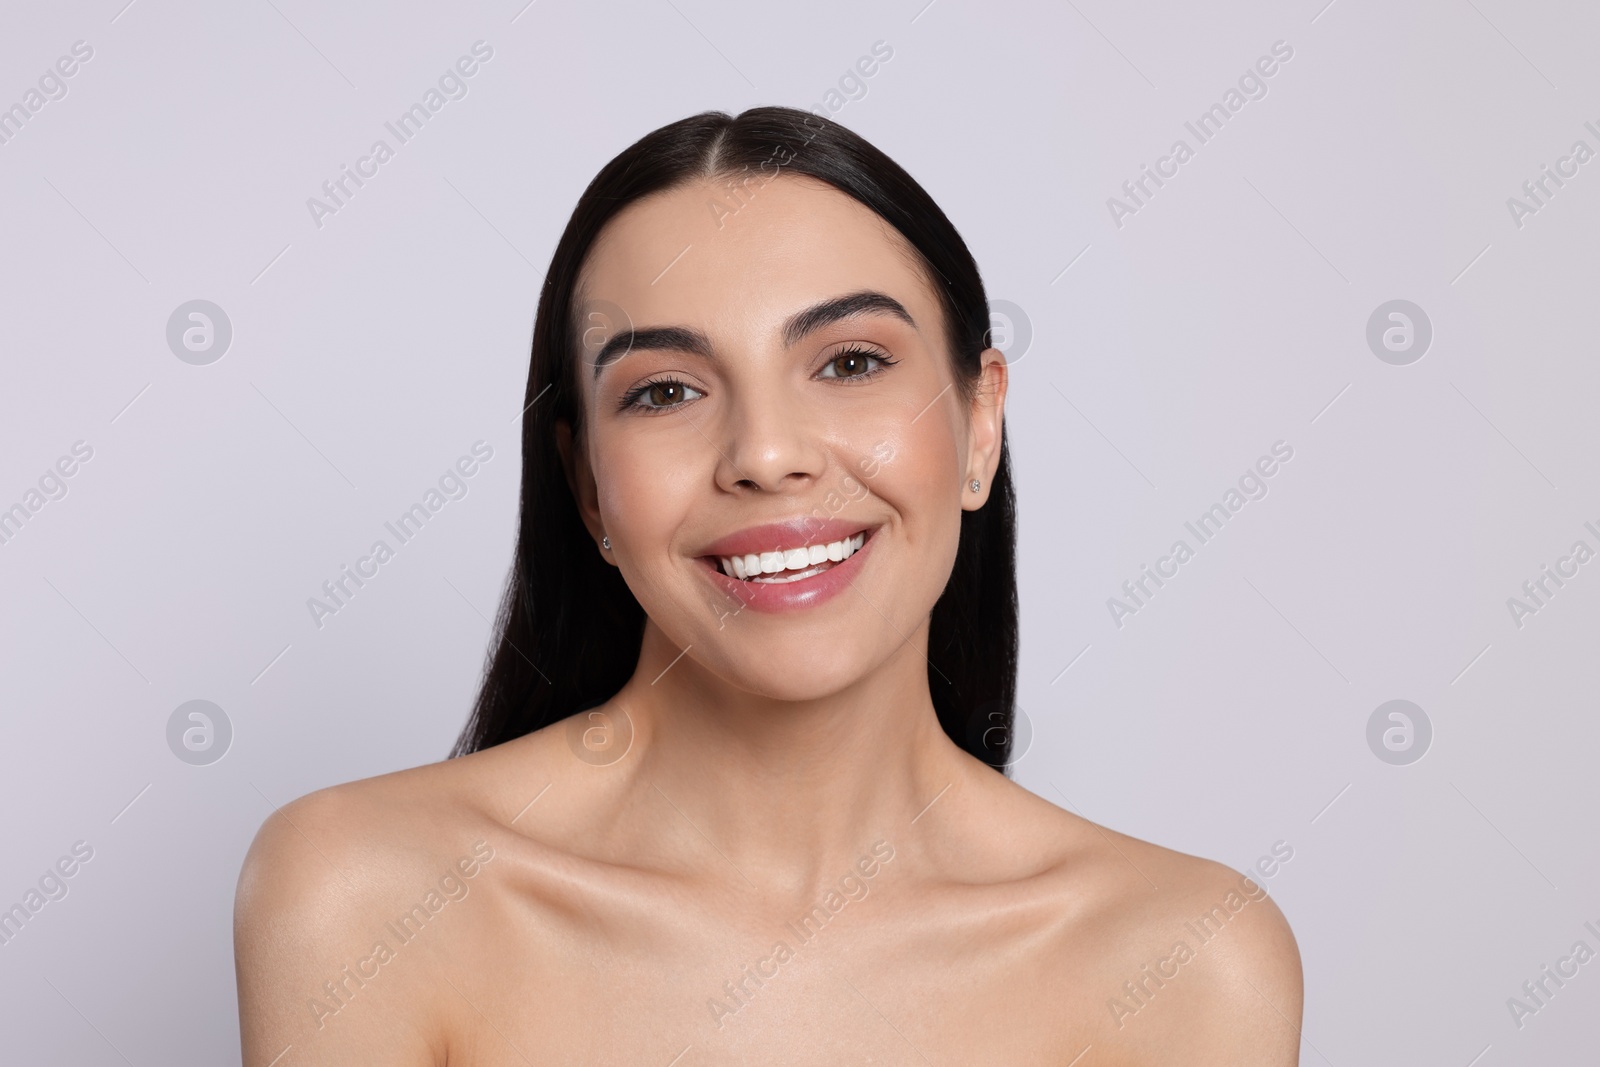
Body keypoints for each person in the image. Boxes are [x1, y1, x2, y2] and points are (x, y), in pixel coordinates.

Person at [235, 106, 1302, 1064]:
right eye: (664, 389)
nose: (766, 452)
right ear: (589, 487)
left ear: (980, 424)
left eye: (849, 362)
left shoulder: (1188, 958)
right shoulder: (367, 896)